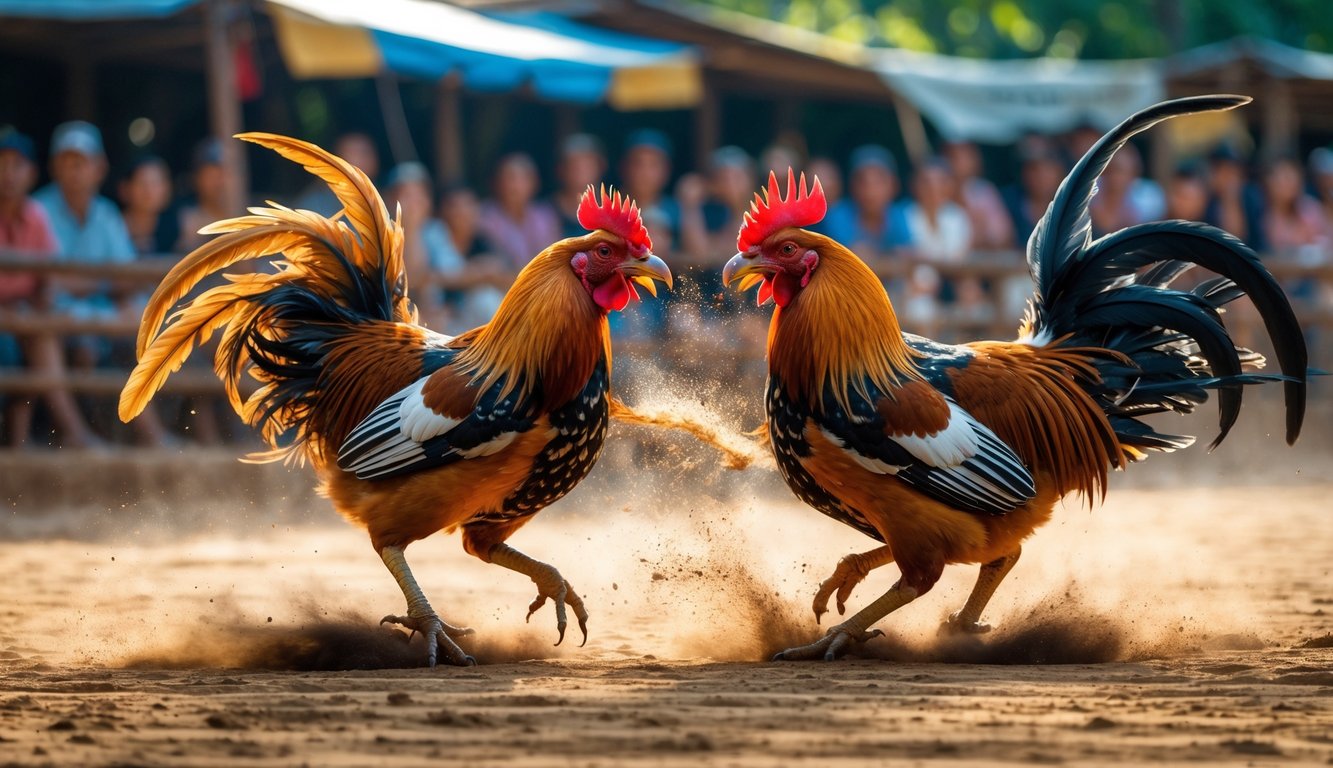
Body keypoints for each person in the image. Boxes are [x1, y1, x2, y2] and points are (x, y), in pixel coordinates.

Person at [0, 129, 99, 448]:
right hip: (10, 315)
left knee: (41, 334)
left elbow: (48, 277)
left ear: (31, 174)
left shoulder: (35, 215)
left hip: (24, 316)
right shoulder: (44, 212)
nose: (8, 174)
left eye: (17, 166)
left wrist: (37, 300)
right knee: (37, 337)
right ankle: (73, 435)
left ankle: (26, 442)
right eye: (2, 165)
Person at [819, 144, 911, 261]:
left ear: (894, 185)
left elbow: (909, 255)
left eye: (879, 182)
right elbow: (853, 263)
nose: (870, 191)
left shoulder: (899, 215)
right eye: (863, 182)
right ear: (852, 186)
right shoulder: (837, 216)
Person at [477, 152, 560, 271]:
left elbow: (553, 259)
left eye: (524, 178)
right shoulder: (485, 217)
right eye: (510, 178)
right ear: (496, 182)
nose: (515, 186)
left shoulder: (545, 217)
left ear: (535, 183)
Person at [941, 139, 1013, 250]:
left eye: (966, 157)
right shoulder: (935, 192)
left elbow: (1003, 236)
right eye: (953, 157)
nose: (960, 163)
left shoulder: (984, 192)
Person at [295, 132, 380, 216]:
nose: (362, 160)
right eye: (353, 153)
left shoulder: (382, 197)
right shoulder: (314, 206)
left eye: (365, 152)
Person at [1089, 142, 1162, 237]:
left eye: (1119, 171)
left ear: (1134, 172)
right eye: (1110, 169)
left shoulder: (1150, 198)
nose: (1114, 177)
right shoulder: (1090, 192)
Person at [176, 139, 236, 252]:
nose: (220, 183)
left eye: (225, 174)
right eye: (211, 175)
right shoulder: (187, 220)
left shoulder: (256, 213)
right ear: (197, 179)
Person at [1004, 137, 1066, 244]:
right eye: (1033, 169)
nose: (1040, 176)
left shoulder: (1074, 203)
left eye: (1047, 168)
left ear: (1059, 171)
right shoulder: (1007, 203)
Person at [619, 129, 678, 243]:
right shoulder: (608, 211)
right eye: (638, 163)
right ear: (623, 167)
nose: (645, 172)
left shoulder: (679, 213)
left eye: (653, 164)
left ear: (666, 170)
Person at [1204, 142, 1264, 249]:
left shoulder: (1251, 197)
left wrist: (1231, 200)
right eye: (1224, 171)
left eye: (1234, 172)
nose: (1229, 178)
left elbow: (1239, 239)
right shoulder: (1205, 199)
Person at [118, 154, 178, 255]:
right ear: (125, 188)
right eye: (142, 183)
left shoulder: (179, 228)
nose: (149, 191)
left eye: (155, 183)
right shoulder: (112, 225)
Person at [550, 134, 607, 239]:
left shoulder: (613, 211)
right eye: (574, 165)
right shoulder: (543, 215)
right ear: (560, 170)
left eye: (587, 165)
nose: (581, 171)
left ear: (601, 167)